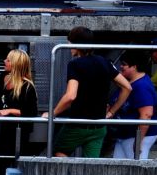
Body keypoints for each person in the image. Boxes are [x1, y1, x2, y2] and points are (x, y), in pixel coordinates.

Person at [45, 26, 132, 158]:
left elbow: (70, 96)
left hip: (77, 125)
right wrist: (111, 112)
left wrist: (52, 113)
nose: (69, 46)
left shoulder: (75, 64)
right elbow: (127, 87)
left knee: (59, 152)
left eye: (70, 42)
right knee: (91, 163)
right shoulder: (104, 62)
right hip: (98, 126)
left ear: (77, 44)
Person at [109, 50, 157, 160]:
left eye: (124, 64)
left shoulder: (142, 86)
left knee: (135, 167)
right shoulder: (132, 82)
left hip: (135, 136)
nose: (121, 67)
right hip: (126, 135)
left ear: (134, 67)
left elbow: (146, 115)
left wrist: (138, 141)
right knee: (119, 168)